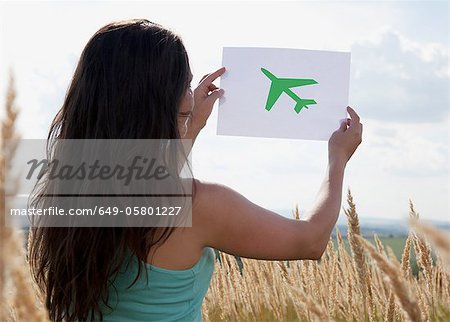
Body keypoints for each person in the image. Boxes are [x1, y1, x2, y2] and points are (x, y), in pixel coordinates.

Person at [28, 19, 363, 322]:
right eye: (184, 85)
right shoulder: (199, 206)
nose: (190, 95)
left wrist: (190, 127)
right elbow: (311, 240)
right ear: (161, 100)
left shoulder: (61, 191)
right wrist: (338, 159)